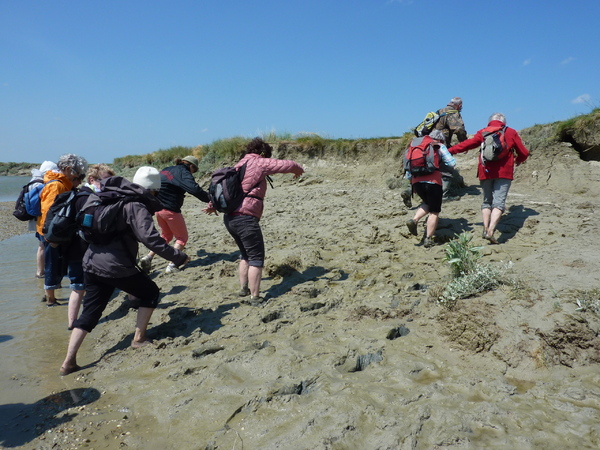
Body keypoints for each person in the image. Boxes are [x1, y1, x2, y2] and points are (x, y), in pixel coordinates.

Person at [59, 167, 190, 376]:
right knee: (150, 292)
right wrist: (179, 257)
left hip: (91, 262)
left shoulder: (106, 196)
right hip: (116, 265)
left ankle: (68, 362)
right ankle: (138, 339)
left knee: (90, 313)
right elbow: (151, 240)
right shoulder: (135, 205)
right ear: (153, 190)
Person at [203, 138, 304, 305]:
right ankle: (255, 297)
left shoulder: (239, 164)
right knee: (257, 258)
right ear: (263, 152)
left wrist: (212, 205)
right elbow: (288, 164)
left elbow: (227, 188)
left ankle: (244, 289)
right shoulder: (259, 163)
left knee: (245, 255)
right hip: (246, 218)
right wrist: (298, 170)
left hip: (230, 218)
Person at [449, 112, 530, 244]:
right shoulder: (511, 132)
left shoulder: (483, 132)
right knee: (499, 202)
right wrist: (518, 159)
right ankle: (491, 231)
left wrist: (450, 151)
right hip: (504, 172)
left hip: (485, 171)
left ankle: (485, 227)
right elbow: (524, 152)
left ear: (490, 121)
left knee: (487, 201)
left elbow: (467, 144)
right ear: (504, 122)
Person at [139, 156, 209, 274]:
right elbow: (195, 190)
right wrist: (211, 199)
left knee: (166, 236)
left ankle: (148, 257)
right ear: (191, 166)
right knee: (182, 238)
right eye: (194, 170)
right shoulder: (183, 172)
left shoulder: (167, 169)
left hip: (158, 209)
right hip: (171, 210)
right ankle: (172, 264)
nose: (193, 173)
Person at [66, 163, 116, 330]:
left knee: (77, 288)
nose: (109, 185)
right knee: (83, 288)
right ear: (92, 179)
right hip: (83, 249)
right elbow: (90, 227)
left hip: (72, 248)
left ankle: (72, 324)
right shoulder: (87, 198)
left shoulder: (78, 195)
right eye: (106, 181)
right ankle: (80, 324)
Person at [38, 154, 88, 307]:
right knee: (53, 265)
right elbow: (49, 211)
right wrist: (52, 235)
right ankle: (50, 299)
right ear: (67, 169)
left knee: (58, 264)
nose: (79, 176)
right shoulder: (57, 185)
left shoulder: (64, 183)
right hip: (53, 233)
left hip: (58, 231)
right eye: (77, 172)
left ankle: (52, 293)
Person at [405, 130, 456, 248]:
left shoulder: (414, 146)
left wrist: (411, 181)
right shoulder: (439, 146)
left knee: (427, 203)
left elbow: (408, 168)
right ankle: (428, 239)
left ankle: (414, 220)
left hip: (416, 181)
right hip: (433, 181)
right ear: (440, 140)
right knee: (434, 211)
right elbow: (452, 163)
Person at [28, 161, 58, 278]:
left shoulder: (33, 181)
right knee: (45, 246)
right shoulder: (44, 183)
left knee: (41, 246)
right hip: (43, 219)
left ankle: (40, 272)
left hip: (36, 218)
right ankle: (46, 272)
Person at [434, 97, 468, 200]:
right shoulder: (453, 113)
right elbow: (458, 129)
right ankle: (443, 196)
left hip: (428, 145)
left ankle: (411, 190)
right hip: (441, 145)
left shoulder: (439, 111)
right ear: (460, 105)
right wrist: (464, 143)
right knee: (446, 170)